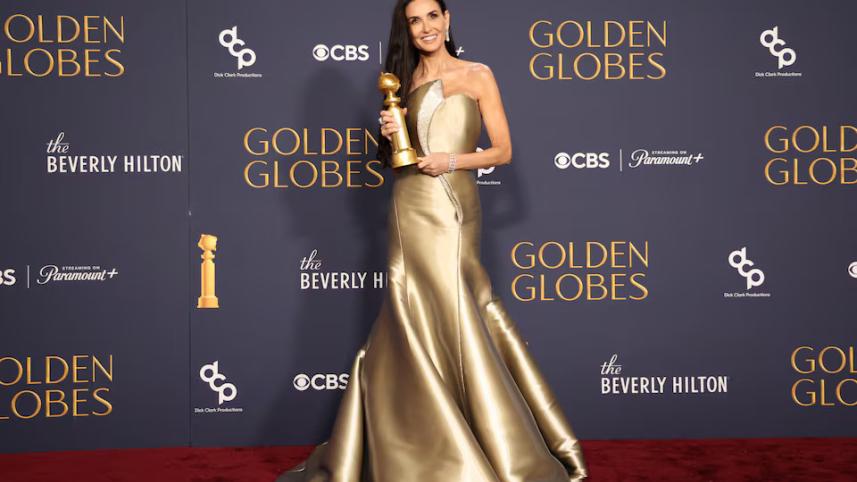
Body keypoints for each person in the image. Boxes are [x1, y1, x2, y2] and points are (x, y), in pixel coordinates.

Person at [276, 0, 588, 480]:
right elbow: (402, 162)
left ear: (448, 19)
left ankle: (488, 444)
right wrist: (390, 135)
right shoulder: (401, 83)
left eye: (432, 16)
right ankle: (415, 445)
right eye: (414, 20)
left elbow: (502, 151)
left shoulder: (476, 74)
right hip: (408, 206)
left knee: (459, 309)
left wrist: (451, 161)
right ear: (407, 28)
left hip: (453, 207)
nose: (425, 27)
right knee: (408, 308)